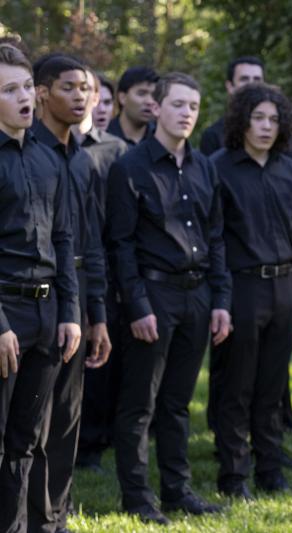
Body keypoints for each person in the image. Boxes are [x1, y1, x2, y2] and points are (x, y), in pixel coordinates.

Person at [106, 72, 232, 524]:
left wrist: (220, 300)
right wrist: (137, 306)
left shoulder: (205, 167)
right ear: (156, 108)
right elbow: (119, 245)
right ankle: (138, 498)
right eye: (178, 105)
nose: (186, 114)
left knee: (178, 403)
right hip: (152, 296)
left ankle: (178, 492)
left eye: (193, 107)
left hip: (198, 295)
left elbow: (216, 237)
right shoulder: (130, 167)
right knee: (140, 403)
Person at [210, 83, 292, 499]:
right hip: (242, 287)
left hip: (286, 287)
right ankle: (234, 475)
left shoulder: (290, 170)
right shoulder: (217, 167)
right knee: (237, 384)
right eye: (258, 118)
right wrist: (221, 298)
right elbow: (214, 238)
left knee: (273, 385)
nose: (266, 126)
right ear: (241, 121)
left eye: (274, 119)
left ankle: (270, 468)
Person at [28, 54, 112, 533]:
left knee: (66, 420)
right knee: (32, 425)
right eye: (69, 87)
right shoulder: (26, 154)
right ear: (42, 93)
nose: (81, 96)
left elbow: (93, 242)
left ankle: (56, 518)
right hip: (38, 298)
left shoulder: (83, 159)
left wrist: (96, 314)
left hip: (78, 295)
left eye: (86, 88)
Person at [0, 43, 82, 533]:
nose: (24, 98)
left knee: (28, 440)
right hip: (5, 310)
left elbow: (65, 238)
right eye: (9, 90)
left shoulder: (51, 159)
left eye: (26, 87)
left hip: (48, 312)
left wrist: (71, 312)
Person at [72, 68, 129, 472]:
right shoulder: (41, 148)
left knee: (97, 359)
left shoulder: (116, 150)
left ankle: (92, 441)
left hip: (103, 266)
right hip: (60, 270)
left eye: (89, 90)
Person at [199, 55, 264, 156]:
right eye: (244, 79)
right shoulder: (213, 136)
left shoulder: (276, 131)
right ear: (230, 87)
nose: (251, 85)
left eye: (257, 79)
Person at [107, 66, 157, 146]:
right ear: (122, 98)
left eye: (154, 95)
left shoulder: (160, 139)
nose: (150, 102)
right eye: (141, 94)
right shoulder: (104, 137)